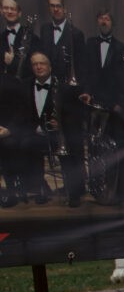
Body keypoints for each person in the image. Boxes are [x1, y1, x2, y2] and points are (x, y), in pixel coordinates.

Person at [8, 51, 86, 206]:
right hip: (35, 134)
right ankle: (39, 189)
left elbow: (73, 115)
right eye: (34, 64)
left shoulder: (63, 88)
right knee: (24, 145)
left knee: (70, 150)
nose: (38, 67)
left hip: (57, 135)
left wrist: (61, 123)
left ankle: (73, 193)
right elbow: (20, 113)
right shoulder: (25, 86)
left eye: (41, 63)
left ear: (50, 67)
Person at [80, 8, 124, 204]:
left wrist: (119, 104)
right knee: (97, 148)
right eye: (101, 18)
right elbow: (86, 72)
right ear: (97, 22)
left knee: (121, 146)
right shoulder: (90, 44)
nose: (104, 21)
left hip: (116, 107)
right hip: (95, 105)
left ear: (112, 23)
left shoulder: (123, 49)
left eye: (107, 18)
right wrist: (86, 91)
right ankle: (100, 192)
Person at [39, 0, 86, 85]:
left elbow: (82, 66)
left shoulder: (77, 34)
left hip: (67, 85)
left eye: (58, 6)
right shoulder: (44, 29)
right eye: (52, 6)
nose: (55, 9)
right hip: (47, 83)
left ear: (64, 9)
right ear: (49, 8)